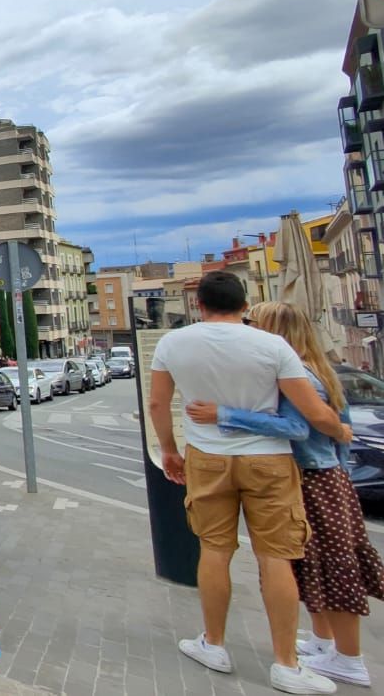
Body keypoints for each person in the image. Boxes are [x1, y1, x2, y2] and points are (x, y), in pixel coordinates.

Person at [149, 270, 347, 694]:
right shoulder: (273, 345)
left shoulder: (173, 343)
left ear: (198, 305)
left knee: (214, 551)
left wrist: (169, 449)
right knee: (276, 557)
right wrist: (340, 430)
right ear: (245, 305)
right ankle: (286, 664)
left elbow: (158, 402)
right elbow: (312, 411)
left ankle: (214, 644)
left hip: (207, 457)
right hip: (268, 459)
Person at [184, 302, 383, 688]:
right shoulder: (315, 369)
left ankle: (347, 659)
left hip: (309, 478)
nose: (248, 329)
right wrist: (339, 463)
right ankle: (325, 645)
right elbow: (339, 428)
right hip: (326, 476)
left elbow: (297, 427)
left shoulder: (299, 375)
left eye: (255, 323)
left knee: (327, 566)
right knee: (314, 566)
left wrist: (224, 415)